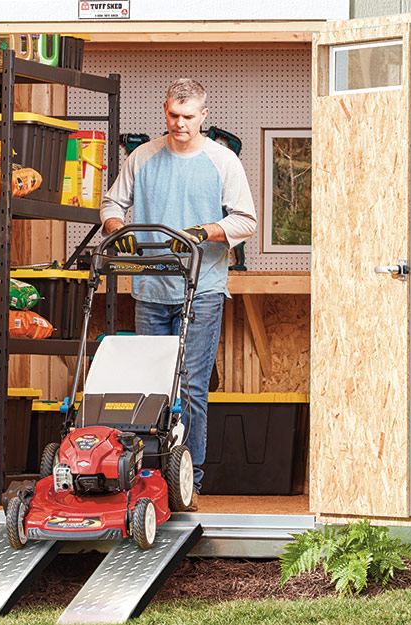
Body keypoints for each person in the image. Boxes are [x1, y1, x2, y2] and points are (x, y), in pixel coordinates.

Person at [99, 78, 257, 511]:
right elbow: (111, 206)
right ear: (164, 112)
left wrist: (207, 231)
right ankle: (147, 474)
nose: (180, 124)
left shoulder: (222, 161)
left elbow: (247, 220)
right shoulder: (142, 157)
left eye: (188, 117)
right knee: (149, 386)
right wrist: (119, 232)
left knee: (190, 387)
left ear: (204, 116)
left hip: (202, 287)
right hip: (150, 286)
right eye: (173, 115)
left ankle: (190, 479)